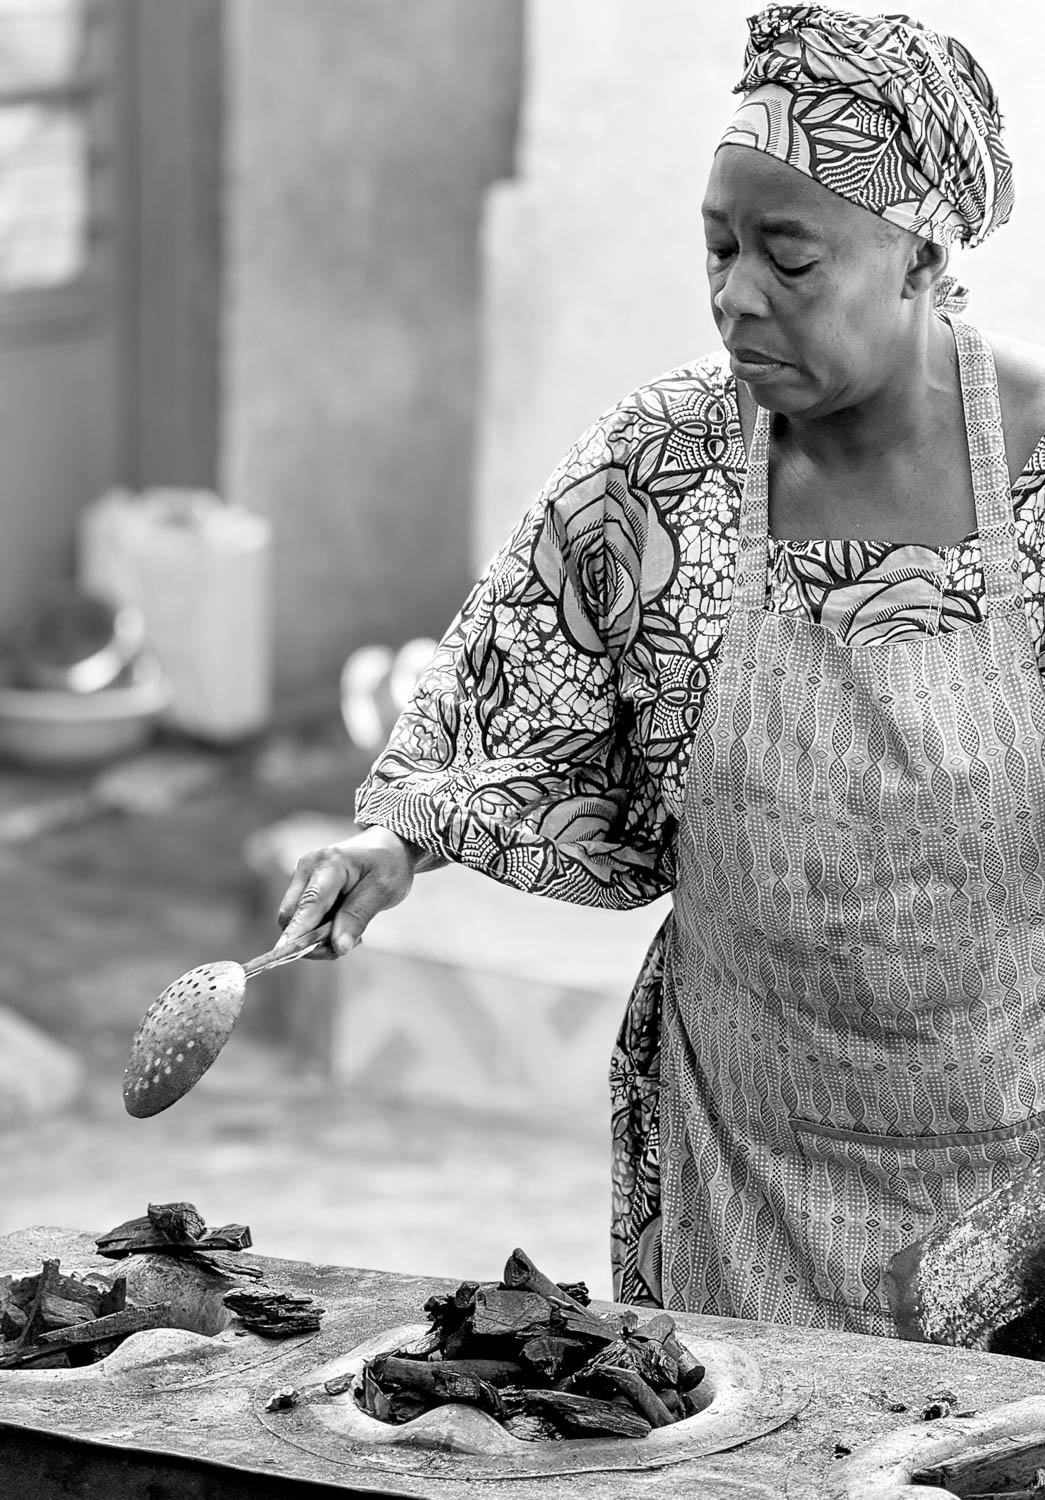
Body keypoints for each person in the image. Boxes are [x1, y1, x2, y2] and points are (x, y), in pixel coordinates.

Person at [276, 6, 1045, 1338]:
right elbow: (524, 678)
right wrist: (395, 845)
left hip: (1014, 1179)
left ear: (918, 254)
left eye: (788, 259)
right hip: (733, 1160)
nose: (735, 293)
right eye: (717, 245)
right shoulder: (661, 465)